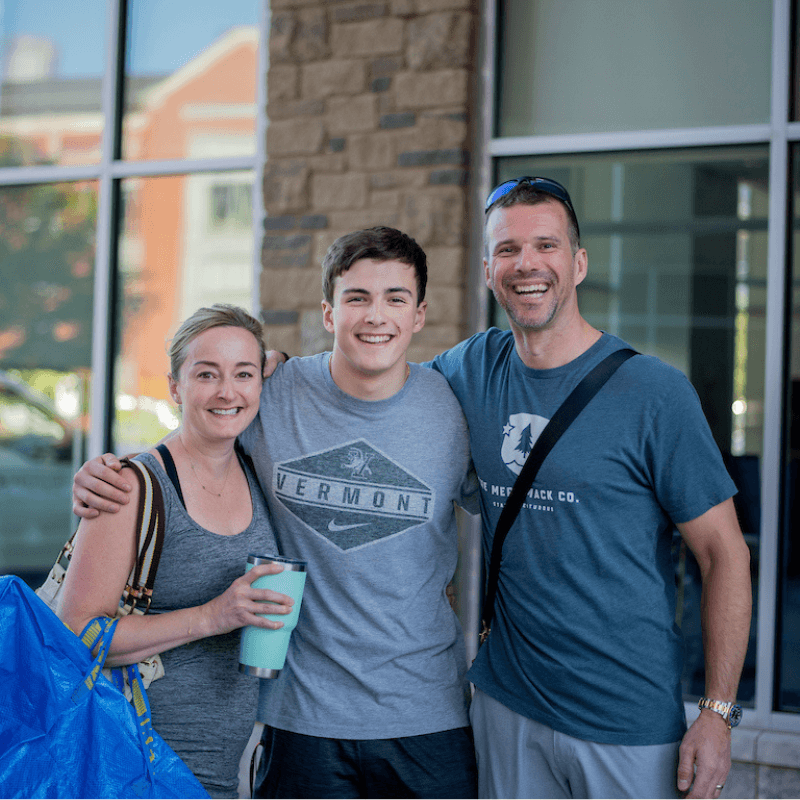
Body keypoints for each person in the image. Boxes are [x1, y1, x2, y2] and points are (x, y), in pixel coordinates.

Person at [71, 227, 480, 799]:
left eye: (395, 298)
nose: (375, 316)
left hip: (427, 715)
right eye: (356, 297)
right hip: (299, 720)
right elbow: (201, 429)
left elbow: (515, 515)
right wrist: (116, 473)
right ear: (328, 313)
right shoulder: (276, 389)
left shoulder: (456, 408)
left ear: (420, 314)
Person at [426, 177, 752, 799]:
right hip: (507, 704)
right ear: (489, 268)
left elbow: (724, 554)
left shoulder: (654, 392)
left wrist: (717, 713)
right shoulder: (471, 366)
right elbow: (377, 392)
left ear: (578, 264)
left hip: (626, 721)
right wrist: (280, 370)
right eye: (508, 249)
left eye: (545, 245)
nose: (527, 264)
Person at [59, 305, 294, 799]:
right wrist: (212, 616)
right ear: (174, 386)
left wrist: (273, 359)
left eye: (243, 375)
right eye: (205, 374)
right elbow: (77, 632)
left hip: (221, 773)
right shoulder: (130, 487)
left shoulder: (256, 469)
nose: (227, 391)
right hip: (133, 766)